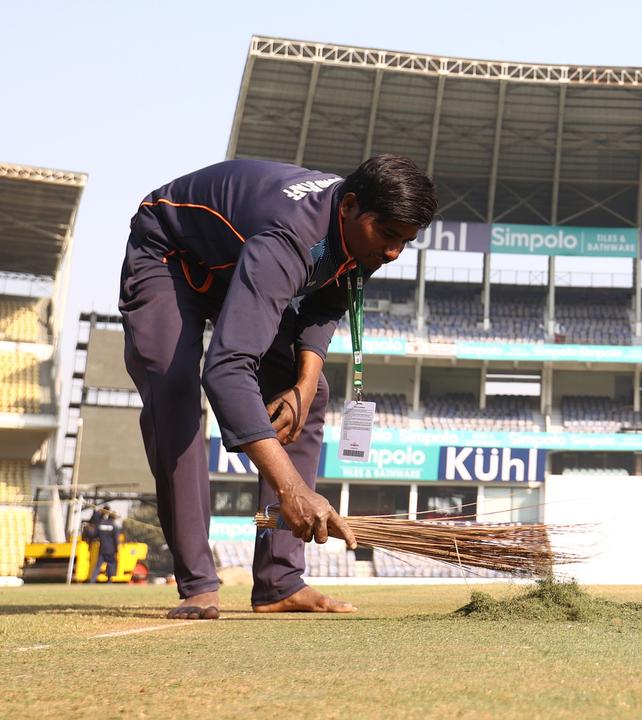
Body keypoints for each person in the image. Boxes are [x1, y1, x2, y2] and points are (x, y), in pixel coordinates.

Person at [119, 155, 436, 619]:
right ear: (348, 206)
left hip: (236, 262)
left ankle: (279, 581)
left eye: (404, 243)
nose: (392, 253)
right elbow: (227, 369)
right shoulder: (290, 238)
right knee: (175, 395)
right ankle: (198, 583)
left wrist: (305, 384)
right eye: (388, 236)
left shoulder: (365, 238)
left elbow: (327, 302)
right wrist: (290, 487)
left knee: (309, 392)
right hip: (169, 251)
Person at [86, 510, 120, 583]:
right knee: (111, 565)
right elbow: (116, 539)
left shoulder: (100, 524)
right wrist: (117, 550)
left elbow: (94, 535)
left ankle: (92, 580)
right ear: (114, 518)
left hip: (102, 549)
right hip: (111, 549)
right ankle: (109, 581)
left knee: (98, 566)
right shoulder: (114, 526)